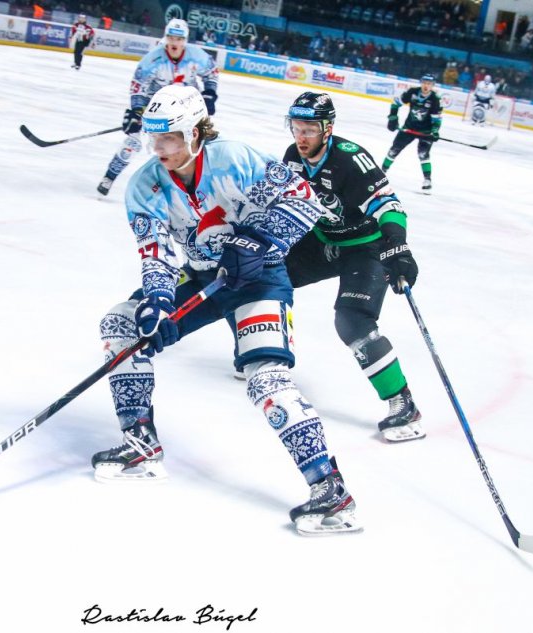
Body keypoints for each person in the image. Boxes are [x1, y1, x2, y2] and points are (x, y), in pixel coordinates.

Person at [92, 84, 359, 536]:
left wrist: (260, 241)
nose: (159, 148)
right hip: (203, 278)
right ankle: (140, 444)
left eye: (170, 137)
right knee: (122, 323)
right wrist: (158, 302)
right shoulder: (145, 185)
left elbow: (303, 198)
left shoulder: (235, 159)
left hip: (259, 280)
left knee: (266, 379)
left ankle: (330, 490)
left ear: (196, 132)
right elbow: (155, 251)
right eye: (154, 137)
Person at [279, 92, 424, 442]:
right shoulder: (292, 156)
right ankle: (269, 353)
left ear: (327, 129)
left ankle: (402, 402)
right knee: (267, 276)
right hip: (323, 241)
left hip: (365, 247)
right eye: (296, 127)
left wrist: (397, 244)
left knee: (352, 320)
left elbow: (388, 204)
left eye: (309, 129)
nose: (301, 137)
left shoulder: (350, 159)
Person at [96, 18, 218, 196]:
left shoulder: (197, 56)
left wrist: (209, 93)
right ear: (166, 38)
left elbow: (211, 72)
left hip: (186, 107)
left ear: (185, 40)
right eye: (171, 38)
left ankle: (196, 185)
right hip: (156, 107)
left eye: (179, 39)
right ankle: (110, 176)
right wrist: (137, 111)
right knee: (134, 139)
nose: (174, 43)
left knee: (195, 142)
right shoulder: (153, 59)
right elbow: (138, 86)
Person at [382, 73, 442, 192]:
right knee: (394, 150)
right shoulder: (412, 92)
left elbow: (437, 119)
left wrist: (435, 131)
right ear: (421, 83)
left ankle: (427, 180)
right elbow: (396, 103)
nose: (426, 85)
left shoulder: (435, 99)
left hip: (425, 131)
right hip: (409, 128)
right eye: (424, 83)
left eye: (429, 84)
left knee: (423, 155)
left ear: (432, 85)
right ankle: (381, 172)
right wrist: (393, 117)